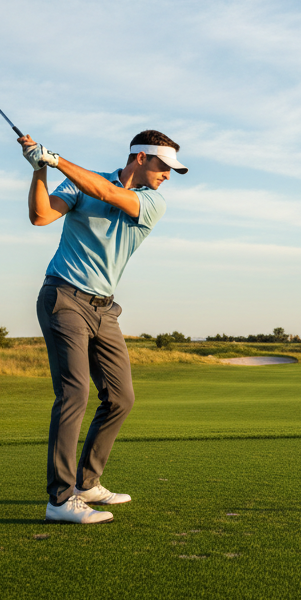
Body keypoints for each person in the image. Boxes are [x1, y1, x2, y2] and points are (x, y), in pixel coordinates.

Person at [19, 129, 187, 525]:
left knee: (121, 398)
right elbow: (41, 216)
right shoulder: (81, 182)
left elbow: (109, 193)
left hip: (105, 309)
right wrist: (40, 169)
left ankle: (87, 483)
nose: (167, 175)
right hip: (64, 297)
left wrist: (56, 160)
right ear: (141, 158)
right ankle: (60, 500)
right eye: (163, 166)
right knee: (74, 393)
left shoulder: (152, 202)